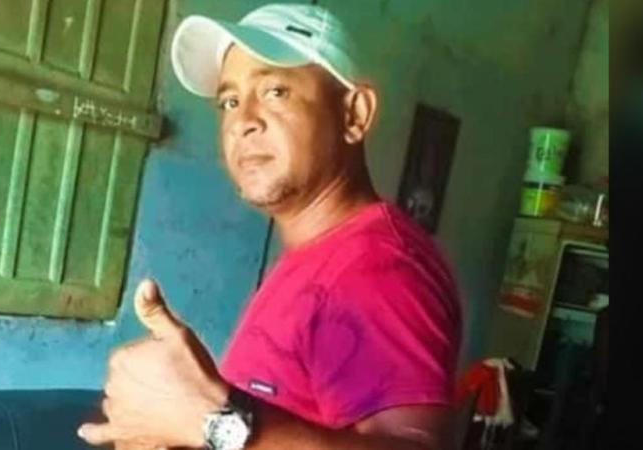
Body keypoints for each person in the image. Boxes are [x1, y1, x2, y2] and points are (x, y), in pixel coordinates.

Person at [78, 4, 462, 449]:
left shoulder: (377, 268)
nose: (243, 122)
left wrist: (212, 421)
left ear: (354, 114)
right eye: (229, 101)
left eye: (276, 91)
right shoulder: (317, 255)